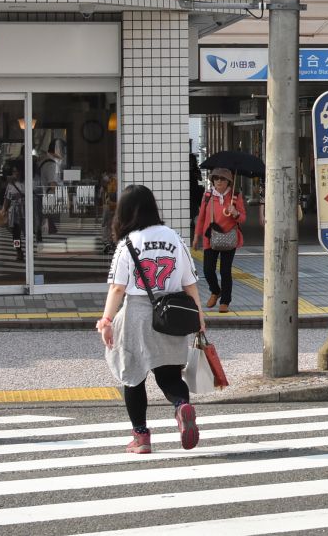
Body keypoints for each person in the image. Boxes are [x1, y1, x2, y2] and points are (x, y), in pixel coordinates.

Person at [97, 184, 205, 454]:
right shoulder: (174, 238)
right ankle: (181, 406)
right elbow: (190, 283)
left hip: (137, 314)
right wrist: (200, 317)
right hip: (172, 313)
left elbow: (118, 288)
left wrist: (107, 320)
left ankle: (141, 437)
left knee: (132, 377)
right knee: (169, 374)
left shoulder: (128, 243)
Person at [192, 167, 246, 313]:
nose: (219, 181)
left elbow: (243, 218)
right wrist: (196, 236)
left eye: (222, 179)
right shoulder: (208, 195)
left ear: (229, 181)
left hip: (229, 237)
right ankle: (215, 291)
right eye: (216, 178)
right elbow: (202, 216)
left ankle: (225, 301)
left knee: (225, 271)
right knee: (208, 269)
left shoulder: (235, 196)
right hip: (210, 237)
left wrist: (235, 212)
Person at [1, 163, 27, 262]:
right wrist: (4, 209)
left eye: (17, 171)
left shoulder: (27, 182)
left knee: (27, 232)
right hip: (15, 212)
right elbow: (7, 198)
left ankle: (28, 250)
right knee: (15, 234)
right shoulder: (10, 185)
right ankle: (18, 251)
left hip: (25, 210)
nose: (15, 173)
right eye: (14, 172)